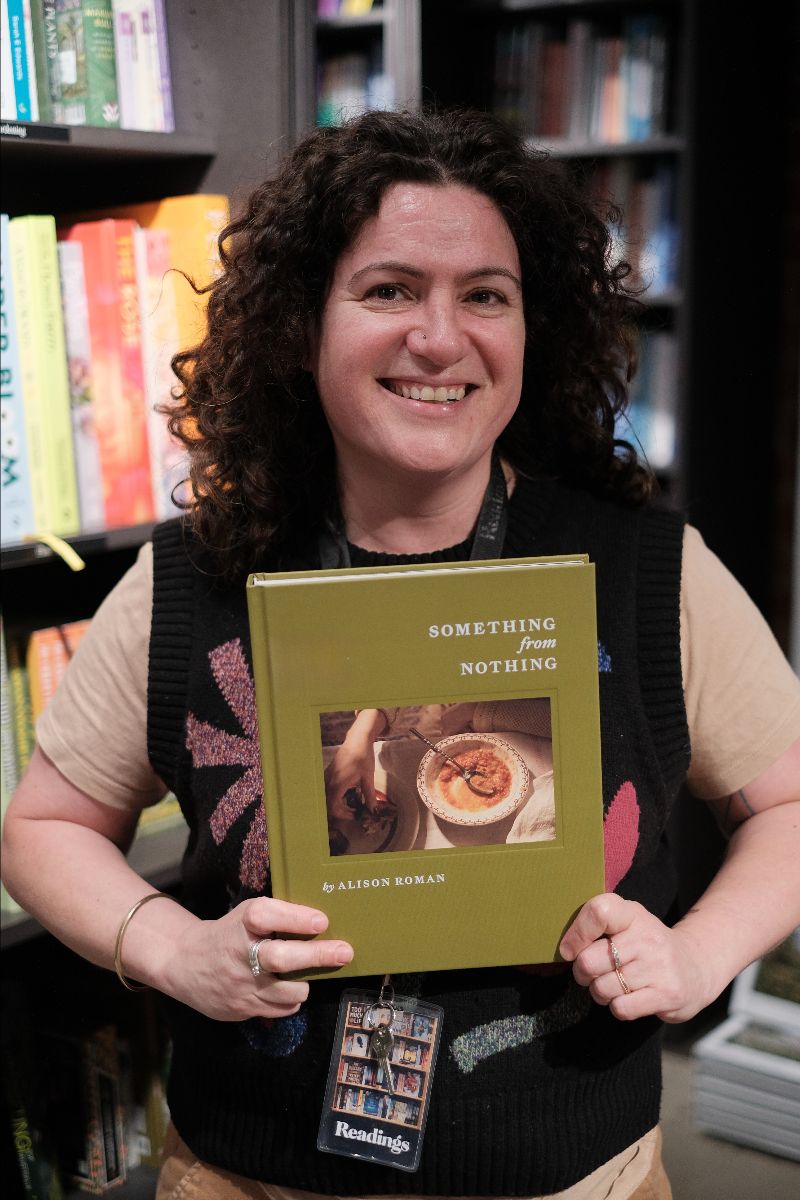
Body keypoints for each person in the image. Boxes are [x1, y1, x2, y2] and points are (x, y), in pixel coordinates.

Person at [3, 107, 799, 1200]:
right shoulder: (192, 579)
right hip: (246, 1176)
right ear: (300, 326)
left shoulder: (646, 571)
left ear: (533, 331)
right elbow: (43, 827)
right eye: (388, 290)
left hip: (577, 1177)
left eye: (486, 296)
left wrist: (696, 956)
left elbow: (788, 805)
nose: (439, 338)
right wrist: (169, 949)